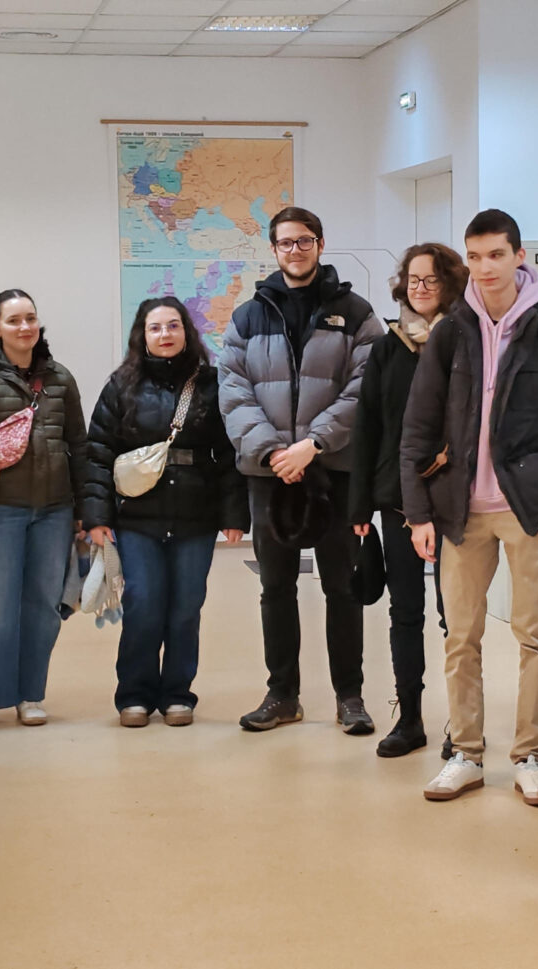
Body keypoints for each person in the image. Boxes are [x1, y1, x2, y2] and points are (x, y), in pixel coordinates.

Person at [400, 209, 538, 804]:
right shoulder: (451, 332)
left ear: (520, 256)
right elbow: (417, 428)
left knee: (533, 636)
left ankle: (529, 756)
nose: (485, 267)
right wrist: (418, 513)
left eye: (496, 254)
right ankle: (465, 754)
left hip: (527, 508)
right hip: (460, 511)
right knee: (460, 637)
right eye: (475, 256)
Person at [218, 206, 383, 734]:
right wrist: (273, 452)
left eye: (304, 240)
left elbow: (365, 389)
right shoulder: (248, 316)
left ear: (320, 243)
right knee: (276, 588)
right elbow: (233, 391)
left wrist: (312, 444)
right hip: (271, 475)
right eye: (286, 242)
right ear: (273, 249)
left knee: (342, 587)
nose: (295, 250)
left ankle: (350, 697)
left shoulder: (356, 313)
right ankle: (282, 695)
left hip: (334, 470)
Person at [83, 297, 249, 727]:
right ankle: (134, 695)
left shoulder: (211, 384)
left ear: (186, 332)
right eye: (155, 327)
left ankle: (178, 694)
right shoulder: (121, 385)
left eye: (173, 326)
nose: (165, 334)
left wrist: (234, 515)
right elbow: (98, 453)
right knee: (143, 604)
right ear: (142, 335)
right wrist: (97, 517)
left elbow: (229, 453)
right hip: (137, 518)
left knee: (186, 608)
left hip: (197, 516)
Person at [0, 289, 88, 732]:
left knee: (43, 607)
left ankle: (31, 694)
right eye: (13, 320)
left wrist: (83, 510)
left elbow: (79, 446)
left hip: (54, 511)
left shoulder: (60, 379)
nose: (24, 327)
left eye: (30, 318)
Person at [349, 243, 467, 757]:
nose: (420, 288)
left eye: (431, 279)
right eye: (413, 280)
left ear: (450, 285)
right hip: (398, 500)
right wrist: (359, 505)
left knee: (455, 616)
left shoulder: (467, 341)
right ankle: (410, 718)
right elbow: (367, 427)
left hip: (455, 501)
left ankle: (461, 723)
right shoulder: (387, 347)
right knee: (405, 613)